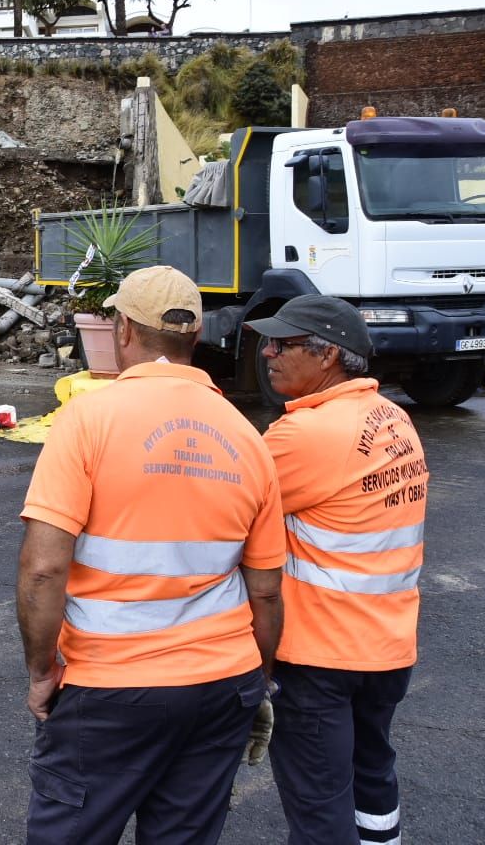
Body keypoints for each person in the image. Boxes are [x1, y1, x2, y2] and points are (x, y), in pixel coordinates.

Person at [18, 265, 285, 844]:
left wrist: (42, 672)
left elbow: (44, 569)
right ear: (196, 336)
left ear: (122, 329)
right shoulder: (247, 436)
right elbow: (265, 590)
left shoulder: (88, 419)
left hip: (111, 685)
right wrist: (257, 682)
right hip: (222, 684)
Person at [246, 296, 428, 845]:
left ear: (328, 356)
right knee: (371, 776)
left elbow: (222, 510)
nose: (268, 353)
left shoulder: (306, 435)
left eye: (284, 344)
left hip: (320, 655)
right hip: (387, 646)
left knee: (320, 806)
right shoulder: (393, 418)